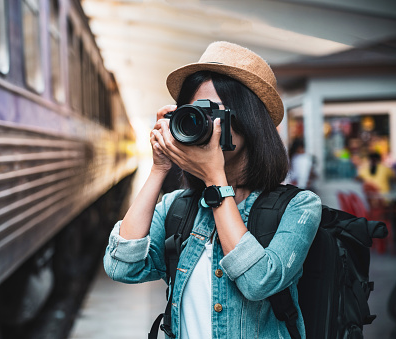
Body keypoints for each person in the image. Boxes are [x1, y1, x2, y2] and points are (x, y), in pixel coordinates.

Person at [103, 41, 322, 338]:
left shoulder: (299, 206)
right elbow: (120, 267)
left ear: (249, 121)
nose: (201, 124)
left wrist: (215, 179)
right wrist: (158, 168)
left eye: (213, 114)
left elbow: (257, 282)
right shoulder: (177, 207)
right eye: (193, 113)